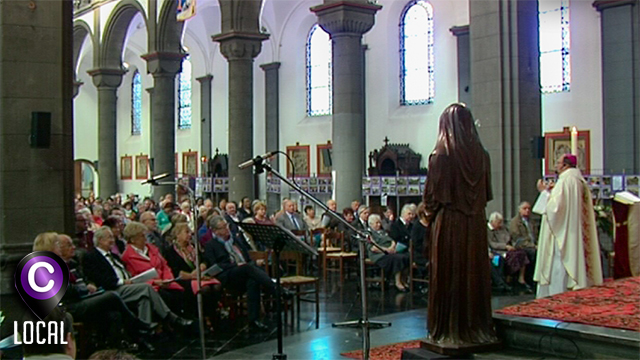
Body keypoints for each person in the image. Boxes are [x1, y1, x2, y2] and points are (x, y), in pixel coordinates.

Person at [423, 104, 497, 346]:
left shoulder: (441, 154)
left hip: (449, 224)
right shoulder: (482, 155)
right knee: (473, 272)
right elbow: (486, 193)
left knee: (449, 274)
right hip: (475, 224)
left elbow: (433, 198)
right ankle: (477, 328)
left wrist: (427, 217)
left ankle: (448, 331)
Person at [83, 227, 193, 330]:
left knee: (144, 298)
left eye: (112, 237)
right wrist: (123, 281)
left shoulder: (114, 257)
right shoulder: (92, 256)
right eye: (109, 237)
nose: (113, 240)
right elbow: (100, 278)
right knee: (146, 288)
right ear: (100, 240)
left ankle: (145, 330)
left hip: (130, 284)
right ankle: (170, 317)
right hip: (113, 289)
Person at [533, 153, 603, 298]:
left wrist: (544, 193)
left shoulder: (565, 181)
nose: (556, 166)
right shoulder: (579, 180)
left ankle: (556, 296)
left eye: (558, 163)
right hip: (573, 231)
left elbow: (555, 209)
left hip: (562, 234)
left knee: (558, 266)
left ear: (565, 165)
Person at [203, 216, 290, 331]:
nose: (227, 229)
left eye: (227, 226)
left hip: (245, 272)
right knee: (247, 268)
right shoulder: (211, 245)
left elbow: (246, 257)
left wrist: (251, 263)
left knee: (253, 280)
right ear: (215, 231)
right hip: (228, 275)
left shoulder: (235, 239)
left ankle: (253, 321)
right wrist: (235, 265)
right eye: (223, 227)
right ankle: (276, 288)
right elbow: (215, 266)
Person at [487, 212, 531, 293]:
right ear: (492, 221)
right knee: (511, 257)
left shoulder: (502, 228)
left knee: (522, 253)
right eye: (498, 222)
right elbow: (492, 244)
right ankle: (507, 278)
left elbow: (508, 237)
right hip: (499, 250)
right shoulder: (488, 230)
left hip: (508, 247)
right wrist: (505, 246)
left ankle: (521, 278)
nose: (500, 224)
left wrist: (512, 244)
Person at [366, 214, 410, 292]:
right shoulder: (369, 233)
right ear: (371, 224)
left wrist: (392, 247)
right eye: (376, 223)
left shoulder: (383, 232)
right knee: (397, 258)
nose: (379, 225)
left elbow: (392, 240)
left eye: (379, 223)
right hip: (378, 254)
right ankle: (397, 282)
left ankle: (403, 279)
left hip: (389, 251)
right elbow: (373, 248)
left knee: (406, 256)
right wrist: (386, 250)